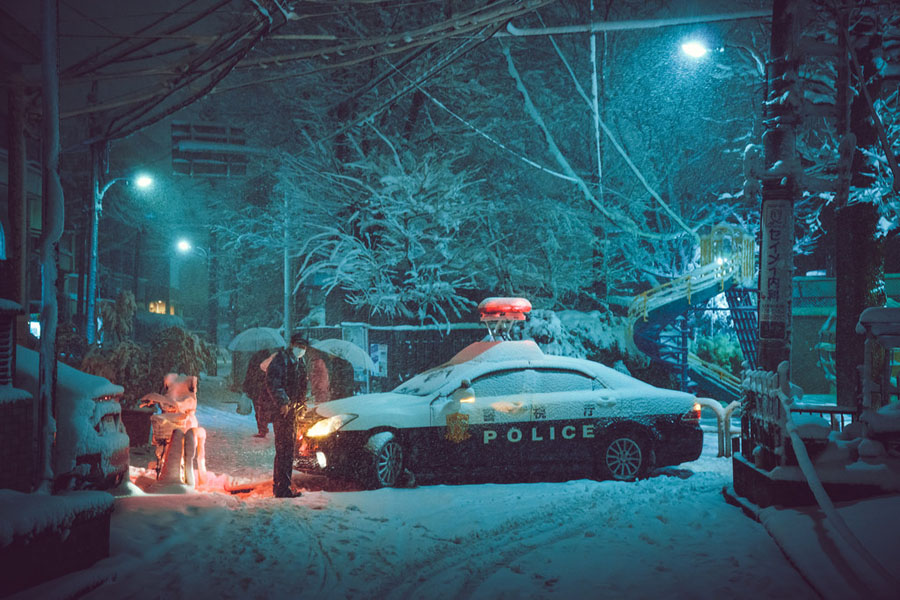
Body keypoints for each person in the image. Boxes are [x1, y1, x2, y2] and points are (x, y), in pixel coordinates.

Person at [265, 333, 309, 498]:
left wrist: (302, 404)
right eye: (299, 346)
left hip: (293, 412)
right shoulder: (281, 360)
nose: (301, 350)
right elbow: (273, 382)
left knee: (287, 450)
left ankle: (282, 486)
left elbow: (302, 385)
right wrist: (283, 402)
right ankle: (282, 488)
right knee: (284, 450)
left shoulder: (299, 362)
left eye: (304, 347)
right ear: (292, 344)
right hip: (283, 412)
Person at [243, 348, 275, 438]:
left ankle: (262, 429)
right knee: (265, 410)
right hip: (266, 391)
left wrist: (246, 388)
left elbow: (248, 376)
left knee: (259, 411)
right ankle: (264, 428)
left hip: (256, 391)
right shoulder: (270, 362)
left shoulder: (254, 361)